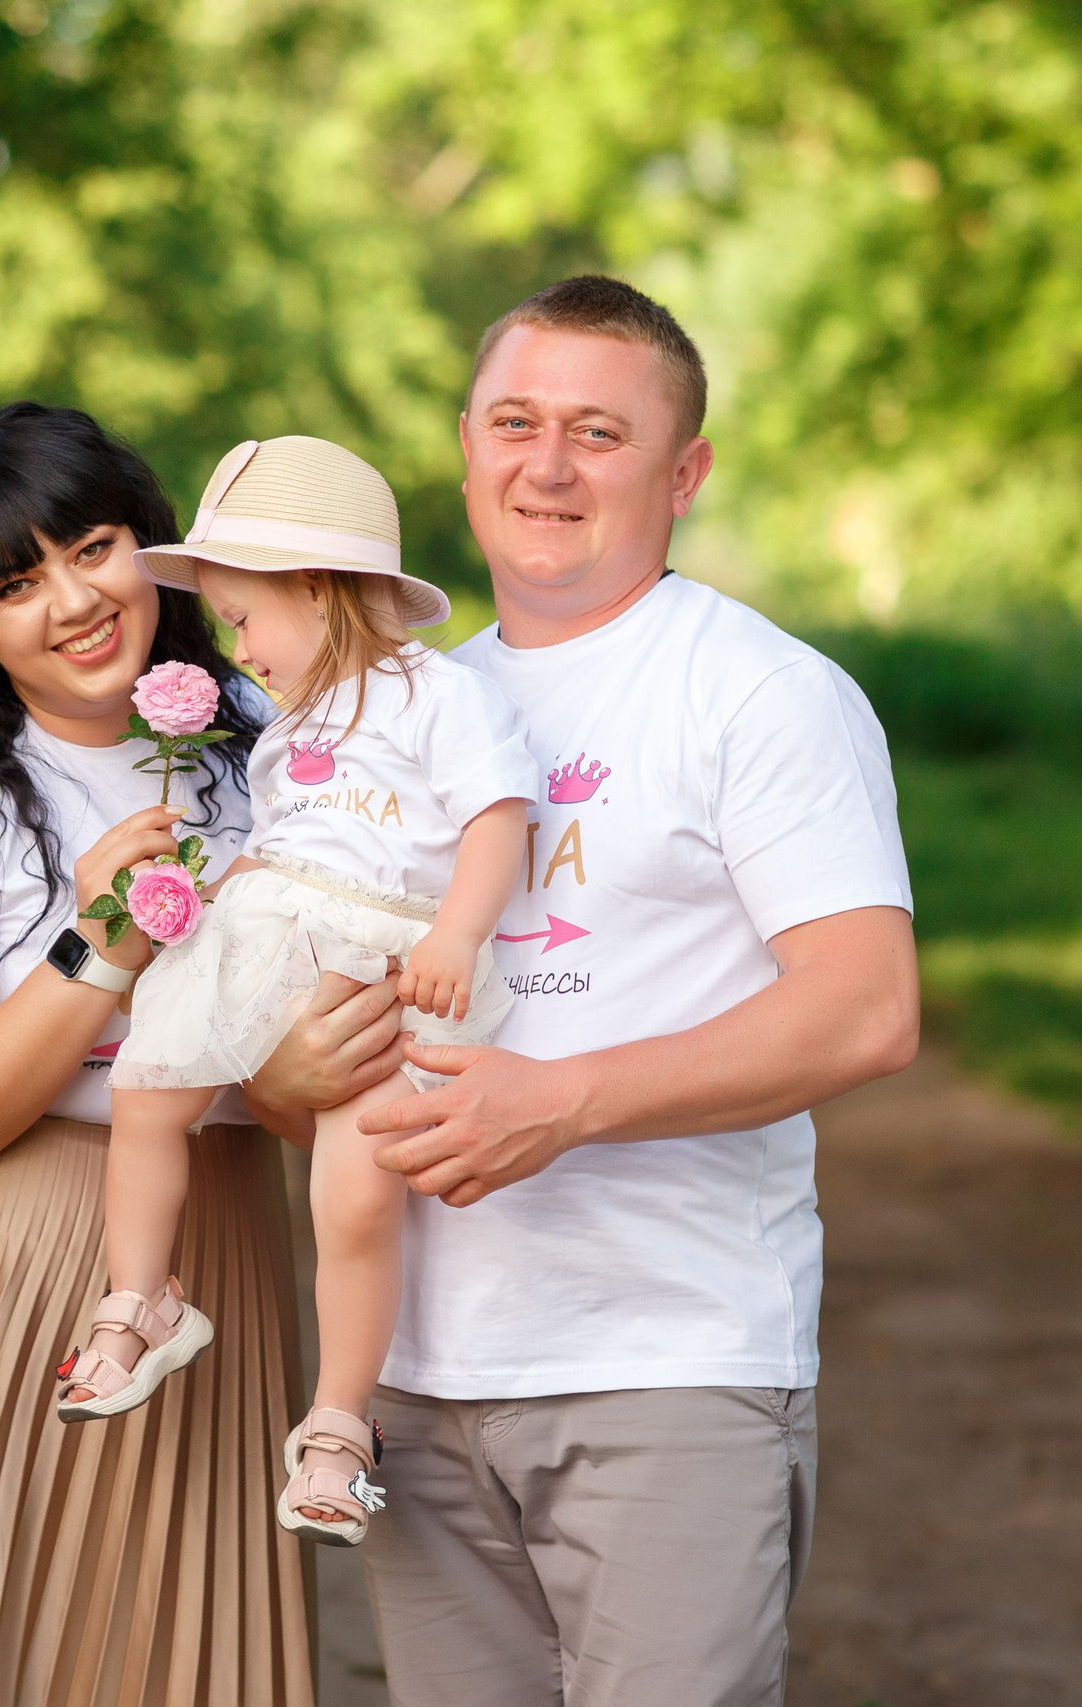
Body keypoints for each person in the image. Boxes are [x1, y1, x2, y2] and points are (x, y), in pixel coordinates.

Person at [343, 276, 921, 1703]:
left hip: (667, 1357)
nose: (547, 465)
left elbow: (864, 1006)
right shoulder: (400, 705)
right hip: (416, 1374)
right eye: (515, 421)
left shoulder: (758, 692)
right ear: (466, 446)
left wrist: (566, 1102)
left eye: (599, 432)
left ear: (686, 472)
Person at [0, 403, 392, 1707]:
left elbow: (333, 1043)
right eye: (14, 582)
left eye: (96, 546)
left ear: (155, 549)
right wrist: (99, 940)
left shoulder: (269, 746)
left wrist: (289, 1072)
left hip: (218, 1249)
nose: (71, 601)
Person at [61, 435, 537, 1554]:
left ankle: (337, 1424)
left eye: (242, 619)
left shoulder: (435, 694)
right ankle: (140, 1298)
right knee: (148, 1089)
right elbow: (289, 843)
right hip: (270, 932)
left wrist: (461, 936)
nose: (238, 646)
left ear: (317, 591)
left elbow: (495, 819)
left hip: (381, 960)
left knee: (354, 1199)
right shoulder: (293, 716)